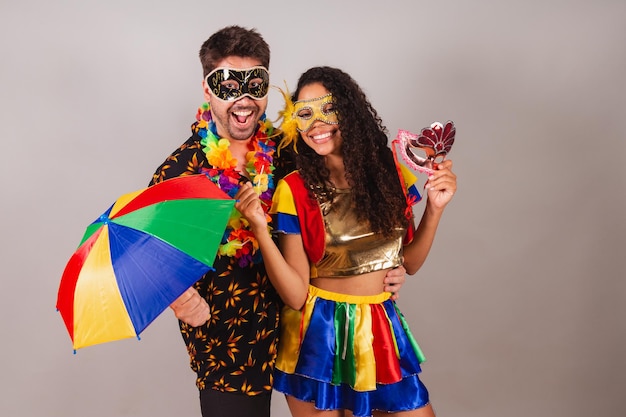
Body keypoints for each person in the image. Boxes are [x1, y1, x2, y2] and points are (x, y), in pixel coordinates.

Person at [149, 27, 408, 417]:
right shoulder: (180, 172)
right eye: (228, 84)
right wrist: (175, 295)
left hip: (310, 336)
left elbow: (351, 205)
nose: (244, 97)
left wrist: (384, 266)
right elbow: (148, 250)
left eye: (255, 83)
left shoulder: (294, 152)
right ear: (208, 91)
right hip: (230, 346)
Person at [235, 66, 457, 416]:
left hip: (380, 327)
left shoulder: (390, 174)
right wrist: (261, 231)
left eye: (328, 109)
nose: (316, 124)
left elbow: (409, 263)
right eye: (304, 114)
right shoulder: (295, 188)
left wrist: (436, 208)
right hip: (319, 333)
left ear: (350, 112)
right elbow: (294, 294)